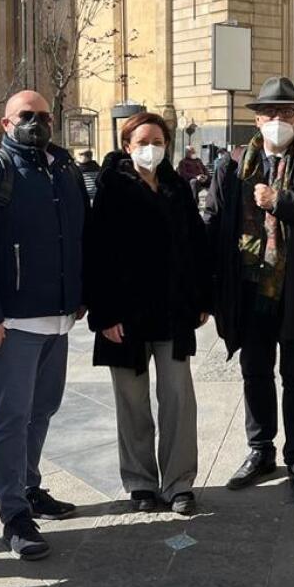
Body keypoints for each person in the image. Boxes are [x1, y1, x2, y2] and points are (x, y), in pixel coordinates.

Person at [0, 91, 89, 561]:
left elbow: (78, 237)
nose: (37, 123)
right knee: (10, 418)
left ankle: (29, 487)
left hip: (57, 320)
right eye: (26, 116)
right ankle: (13, 515)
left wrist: (78, 296)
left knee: (42, 409)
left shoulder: (64, 169)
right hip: (9, 323)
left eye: (44, 116)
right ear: (6, 123)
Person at [204, 76, 294, 502]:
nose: (277, 120)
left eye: (286, 112)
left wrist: (279, 201)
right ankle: (260, 449)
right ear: (257, 120)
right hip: (250, 289)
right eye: (269, 113)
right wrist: (208, 286)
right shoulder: (232, 166)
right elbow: (215, 221)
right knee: (255, 372)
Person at [85, 113, 211, 516]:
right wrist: (105, 315)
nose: (150, 148)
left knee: (178, 399)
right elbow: (97, 253)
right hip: (125, 317)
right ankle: (140, 482)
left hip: (173, 312)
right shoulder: (111, 188)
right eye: (142, 141)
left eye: (157, 141)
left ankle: (178, 483)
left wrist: (201, 299)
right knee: (132, 402)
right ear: (127, 146)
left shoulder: (177, 186)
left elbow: (195, 245)